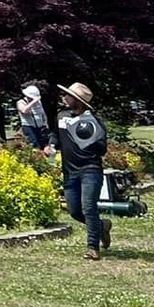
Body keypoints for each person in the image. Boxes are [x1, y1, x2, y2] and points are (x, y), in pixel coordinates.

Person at [52, 81, 110, 259]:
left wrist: (86, 140)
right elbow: (54, 134)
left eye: (68, 95)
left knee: (88, 208)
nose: (65, 97)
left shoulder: (92, 121)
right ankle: (102, 226)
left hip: (90, 170)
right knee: (74, 210)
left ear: (78, 101)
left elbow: (102, 148)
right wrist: (52, 144)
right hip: (70, 172)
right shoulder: (61, 116)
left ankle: (93, 247)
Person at [15, 83, 51, 150]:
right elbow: (24, 110)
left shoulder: (39, 103)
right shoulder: (21, 102)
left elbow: (43, 113)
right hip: (29, 127)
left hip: (40, 127)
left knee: (44, 145)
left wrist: (45, 124)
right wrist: (33, 102)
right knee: (34, 145)